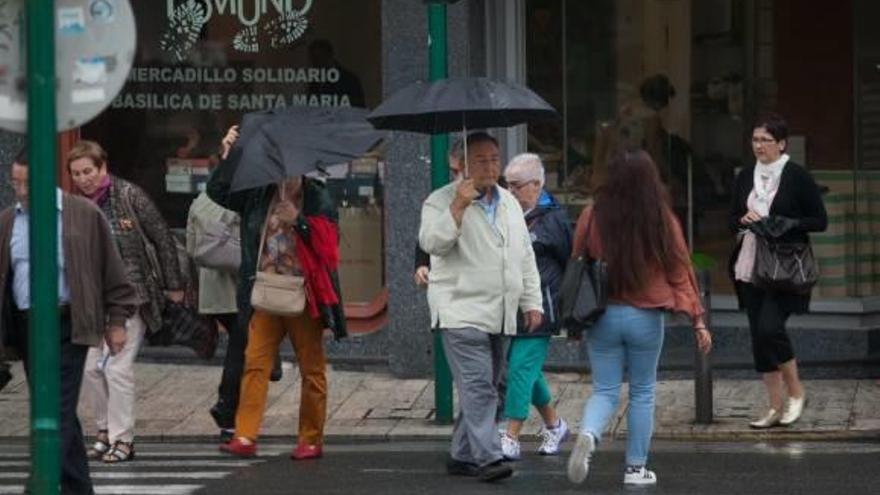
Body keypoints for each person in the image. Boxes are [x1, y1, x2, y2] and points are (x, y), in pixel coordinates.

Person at [567, 149, 712, 487]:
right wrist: (697, 320)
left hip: (602, 316)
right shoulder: (660, 218)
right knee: (643, 391)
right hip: (646, 318)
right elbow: (680, 270)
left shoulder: (592, 214)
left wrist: (572, 321)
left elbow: (577, 262)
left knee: (603, 390)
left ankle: (589, 434)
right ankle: (635, 469)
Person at [0, 148, 137, 494]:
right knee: (58, 410)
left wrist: (117, 320)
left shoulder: (83, 215)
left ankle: (40, 485)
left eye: (28, 183)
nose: (21, 191)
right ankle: (79, 488)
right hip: (25, 325)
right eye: (15, 183)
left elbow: (113, 272)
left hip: (67, 323)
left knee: (54, 408)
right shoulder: (7, 221)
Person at [208, 132, 346, 460]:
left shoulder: (318, 198)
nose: (284, 177)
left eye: (290, 170)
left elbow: (329, 248)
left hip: (303, 296)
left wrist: (298, 221)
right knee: (254, 363)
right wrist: (228, 156)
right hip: (266, 292)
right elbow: (217, 192)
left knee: (311, 368)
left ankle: (310, 439)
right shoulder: (258, 195)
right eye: (278, 169)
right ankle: (245, 435)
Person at [419, 132, 543, 483]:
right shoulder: (440, 200)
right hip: (460, 310)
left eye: (494, 158)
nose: (490, 166)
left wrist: (531, 301)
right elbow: (431, 243)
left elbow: (524, 256)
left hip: (500, 312)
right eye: (481, 160)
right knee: (478, 387)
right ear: (463, 165)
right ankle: (488, 457)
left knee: (496, 386)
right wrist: (457, 207)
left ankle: (461, 454)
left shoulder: (507, 202)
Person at [67, 140, 184, 463]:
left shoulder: (129, 196)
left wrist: (174, 286)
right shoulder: (75, 207)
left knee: (117, 369)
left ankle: (123, 439)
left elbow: (161, 237)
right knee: (90, 369)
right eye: (76, 173)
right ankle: (104, 430)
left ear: (102, 168)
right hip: (93, 302)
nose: (83, 178)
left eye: (88, 171)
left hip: (133, 296)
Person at [729, 113, 827, 428]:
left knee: (771, 328)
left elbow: (819, 220)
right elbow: (732, 215)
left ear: (781, 144)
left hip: (784, 266)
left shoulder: (796, 175)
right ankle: (773, 407)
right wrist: (743, 219)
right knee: (759, 337)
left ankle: (796, 392)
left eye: (766, 140)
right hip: (751, 263)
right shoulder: (745, 175)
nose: (759, 145)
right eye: (755, 139)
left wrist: (788, 223)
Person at [498, 153, 572, 460]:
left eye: (518, 186)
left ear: (537, 185)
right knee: (528, 371)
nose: (512, 192)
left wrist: (566, 310)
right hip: (512, 306)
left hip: (542, 308)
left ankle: (511, 436)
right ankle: (555, 425)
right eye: (509, 186)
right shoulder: (508, 212)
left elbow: (570, 262)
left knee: (518, 369)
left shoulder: (553, 219)